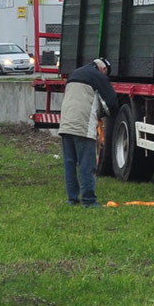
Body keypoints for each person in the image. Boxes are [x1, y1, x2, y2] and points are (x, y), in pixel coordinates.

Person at [58, 57, 115, 206]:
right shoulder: (99, 77)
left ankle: (72, 199)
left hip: (65, 124)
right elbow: (112, 103)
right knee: (86, 164)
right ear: (103, 69)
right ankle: (89, 201)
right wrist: (104, 114)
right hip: (83, 126)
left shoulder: (74, 74)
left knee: (70, 163)